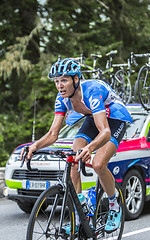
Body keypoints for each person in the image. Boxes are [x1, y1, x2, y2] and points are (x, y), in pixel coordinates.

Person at [21, 58, 133, 234]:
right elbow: (53, 134)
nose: (60, 85)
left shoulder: (92, 92)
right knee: (73, 159)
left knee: (98, 164)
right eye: (57, 81)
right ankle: (80, 212)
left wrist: (90, 148)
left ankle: (114, 205)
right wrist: (35, 146)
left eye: (64, 80)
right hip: (91, 118)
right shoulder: (62, 99)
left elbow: (105, 132)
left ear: (76, 79)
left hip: (114, 120)